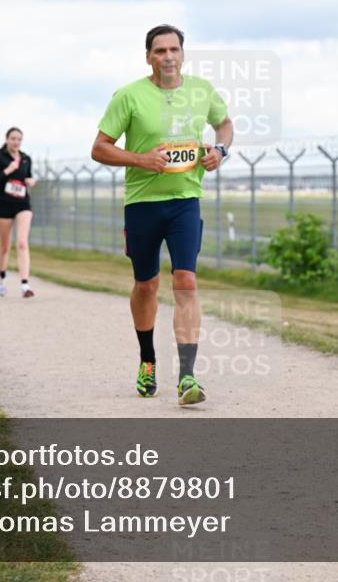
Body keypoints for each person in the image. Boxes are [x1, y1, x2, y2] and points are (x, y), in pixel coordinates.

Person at [91, 24, 233, 406]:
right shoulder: (129, 96)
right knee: (146, 285)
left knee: (186, 281)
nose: (168, 56)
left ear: (182, 54)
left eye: (174, 49)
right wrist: (140, 159)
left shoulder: (201, 91)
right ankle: (147, 359)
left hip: (186, 200)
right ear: (148, 57)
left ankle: (187, 375)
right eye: (159, 51)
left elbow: (224, 124)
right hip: (142, 204)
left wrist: (220, 151)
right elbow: (100, 148)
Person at [0, 128, 36, 297]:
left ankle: (25, 285)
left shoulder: (26, 159)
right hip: (4, 205)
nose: (16, 142)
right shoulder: (0, 158)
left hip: (22, 204)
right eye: (13, 138)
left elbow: (28, 177)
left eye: (19, 139)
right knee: (5, 247)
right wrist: (7, 170)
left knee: (22, 243)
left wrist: (30, 181)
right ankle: (1, 278)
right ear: (7, 140)